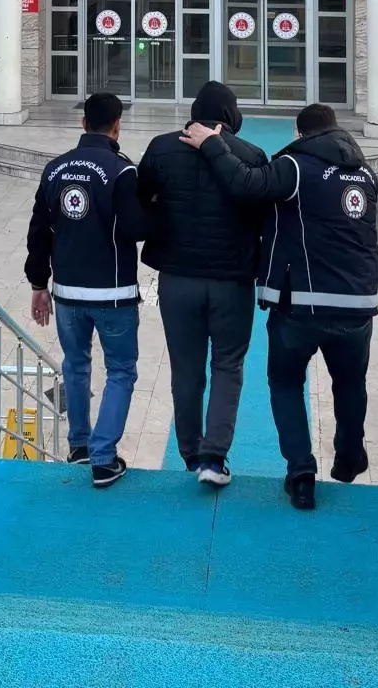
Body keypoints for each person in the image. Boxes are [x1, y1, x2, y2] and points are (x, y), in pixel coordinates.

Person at [181, 102, 378, 511]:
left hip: (301, 305)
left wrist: (213, 143)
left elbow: (246, 183)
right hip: (358, 305)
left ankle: (301, 475)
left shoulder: (296, 167)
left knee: (286, 384)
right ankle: (348, 455)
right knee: (350, 383)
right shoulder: (366, 172)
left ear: (300, 132)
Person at [137, 81, 267, 488]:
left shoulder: (161, 148)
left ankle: (190, 452)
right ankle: (215, 456)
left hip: (176, 280)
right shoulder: (251, 155)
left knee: (186, 368)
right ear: (230, 115)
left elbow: (141, 199)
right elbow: (264, 214)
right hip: (232, 282)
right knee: (228, 365)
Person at [25, 91, 147, 489]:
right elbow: (136, 229)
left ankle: (79, 446)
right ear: (117, 126)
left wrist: (38, 284)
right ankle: (103, 457)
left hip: (68, 294)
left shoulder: (55, 169)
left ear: (83, 124)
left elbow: (39, 232)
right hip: (112, 293)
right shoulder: (122, 170)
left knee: (75, 365)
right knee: (121, 371)